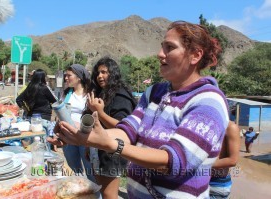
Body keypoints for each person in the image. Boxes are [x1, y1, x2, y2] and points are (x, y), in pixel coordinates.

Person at [48, 21, 229, 198]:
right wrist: (81, 135)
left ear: (195, 55)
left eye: (169, 48)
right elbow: (128, 130)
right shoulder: (154, 92)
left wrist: (110, 144)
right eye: (161, 47)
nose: (160, 54)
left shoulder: (209, 101)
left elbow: (174, 161)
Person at [84, 57, 137, 199]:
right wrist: (89, 146)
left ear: (113, 74)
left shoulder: (120, 95)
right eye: (98, 73)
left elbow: (124, 128)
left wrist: (100, 113)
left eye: (104, 72)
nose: (100, 76)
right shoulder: (102, 93)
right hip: (99, 151)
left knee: (109, 195)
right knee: (102, 191)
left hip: (111, 153)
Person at [59, 64, 95, 182]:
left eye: (69, 75)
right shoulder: (65, 94)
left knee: (90, 170)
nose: (66, 78)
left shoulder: (91, 94)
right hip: (69, 136)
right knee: (74, 169)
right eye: (65, 76)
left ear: (79, 77)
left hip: (86, 137)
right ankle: (81, 190)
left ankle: (95, 194)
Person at [16, 69, 57, 147]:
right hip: (44, 118)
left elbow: (18, 99)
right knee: (44, 144)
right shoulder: (44, 88)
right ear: (42, 77)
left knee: (33, 145)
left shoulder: (29, 87)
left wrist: (26, 109)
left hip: (32, 119)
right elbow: (54, 101)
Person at [210, 121, 240, 199]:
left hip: (216, 184)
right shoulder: (204, 124)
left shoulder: (230, 127)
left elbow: (232, 160)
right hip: (199, 180)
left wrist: (202, 165)